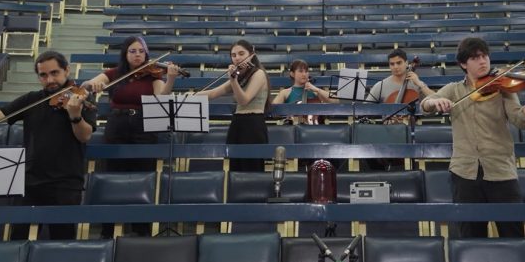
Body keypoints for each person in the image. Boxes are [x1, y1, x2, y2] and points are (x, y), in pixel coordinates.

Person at [421, 38, 525, 262]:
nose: (483, 61)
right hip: (464, 173)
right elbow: (424, 104)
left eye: (485, 56)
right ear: (463, 64)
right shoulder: (454, 90)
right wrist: (434, 101)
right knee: (471, 242)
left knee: (514, 241)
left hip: (501, 173)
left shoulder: (502, 88)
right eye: (475, 57)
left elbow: (521, 121)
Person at [0, 50, 96, 241]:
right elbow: (0, 113)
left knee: (63, 240)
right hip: (31, 181)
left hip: (66, 183)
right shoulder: (32, 99)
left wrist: (75, 115)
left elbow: (84, 136)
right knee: (19, 238)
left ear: (67, 70)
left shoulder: (81, 99)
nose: (49, 80)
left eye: (54, 73)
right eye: (43, 75)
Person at [81, 35, 181, 172]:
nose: (137, 54)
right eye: (132, 51)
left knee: (143, 168)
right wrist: (93, 85)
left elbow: (161, 99)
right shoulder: (115, 73)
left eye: (141, 51)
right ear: (125, 54)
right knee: (112, 167)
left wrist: (170, 80)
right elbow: (85, 85)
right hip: (117, 124)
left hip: (143, 126)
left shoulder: (153, 75)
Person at [196, 39, 269, 171]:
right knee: (235, 169)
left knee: (252, 169)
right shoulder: (238, 75)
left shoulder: (258, 74)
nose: (237, 58)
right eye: (233, 55)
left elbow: (244, 100)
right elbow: (213, 93)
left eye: (241, 54)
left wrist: (233, 80)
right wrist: (188, 96)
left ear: (251, 54)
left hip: (253, 125)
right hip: (237, 123)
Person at [367, 48, 434, 118]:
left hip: (412, 123)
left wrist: (420, 85)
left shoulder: (417, 84)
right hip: (388, 124)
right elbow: (365, 109)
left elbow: (436, 99)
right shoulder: (380, 85)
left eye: (399, 63)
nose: (395, 67)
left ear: (406, 63)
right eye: (392, 64)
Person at [272, 59, 337, 124]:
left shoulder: (315, 91)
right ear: (292, 74)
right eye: (300, 71)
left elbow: (336, 101)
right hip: (293, 127)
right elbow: (273, 111)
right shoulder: (285, 93)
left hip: (315, 127)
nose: (304, 74)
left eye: (306, 71)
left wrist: (317, 90)